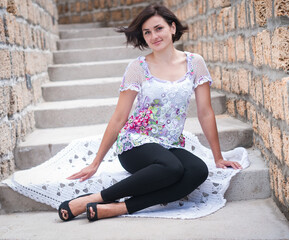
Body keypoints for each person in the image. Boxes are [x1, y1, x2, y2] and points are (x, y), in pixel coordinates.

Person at [58, 3, 242, 222]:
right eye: (147, 32)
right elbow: (119, 117)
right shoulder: (138, 67)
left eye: (158, 28)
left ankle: (118, 208)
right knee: (172, 168)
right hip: (135, 144)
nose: (154, 36)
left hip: (170, 144)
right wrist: (96, 162)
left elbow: (205, 112)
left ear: (172, 28)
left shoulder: (195, 63)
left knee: (198, 170)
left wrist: (218, 156)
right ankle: (95, 198)